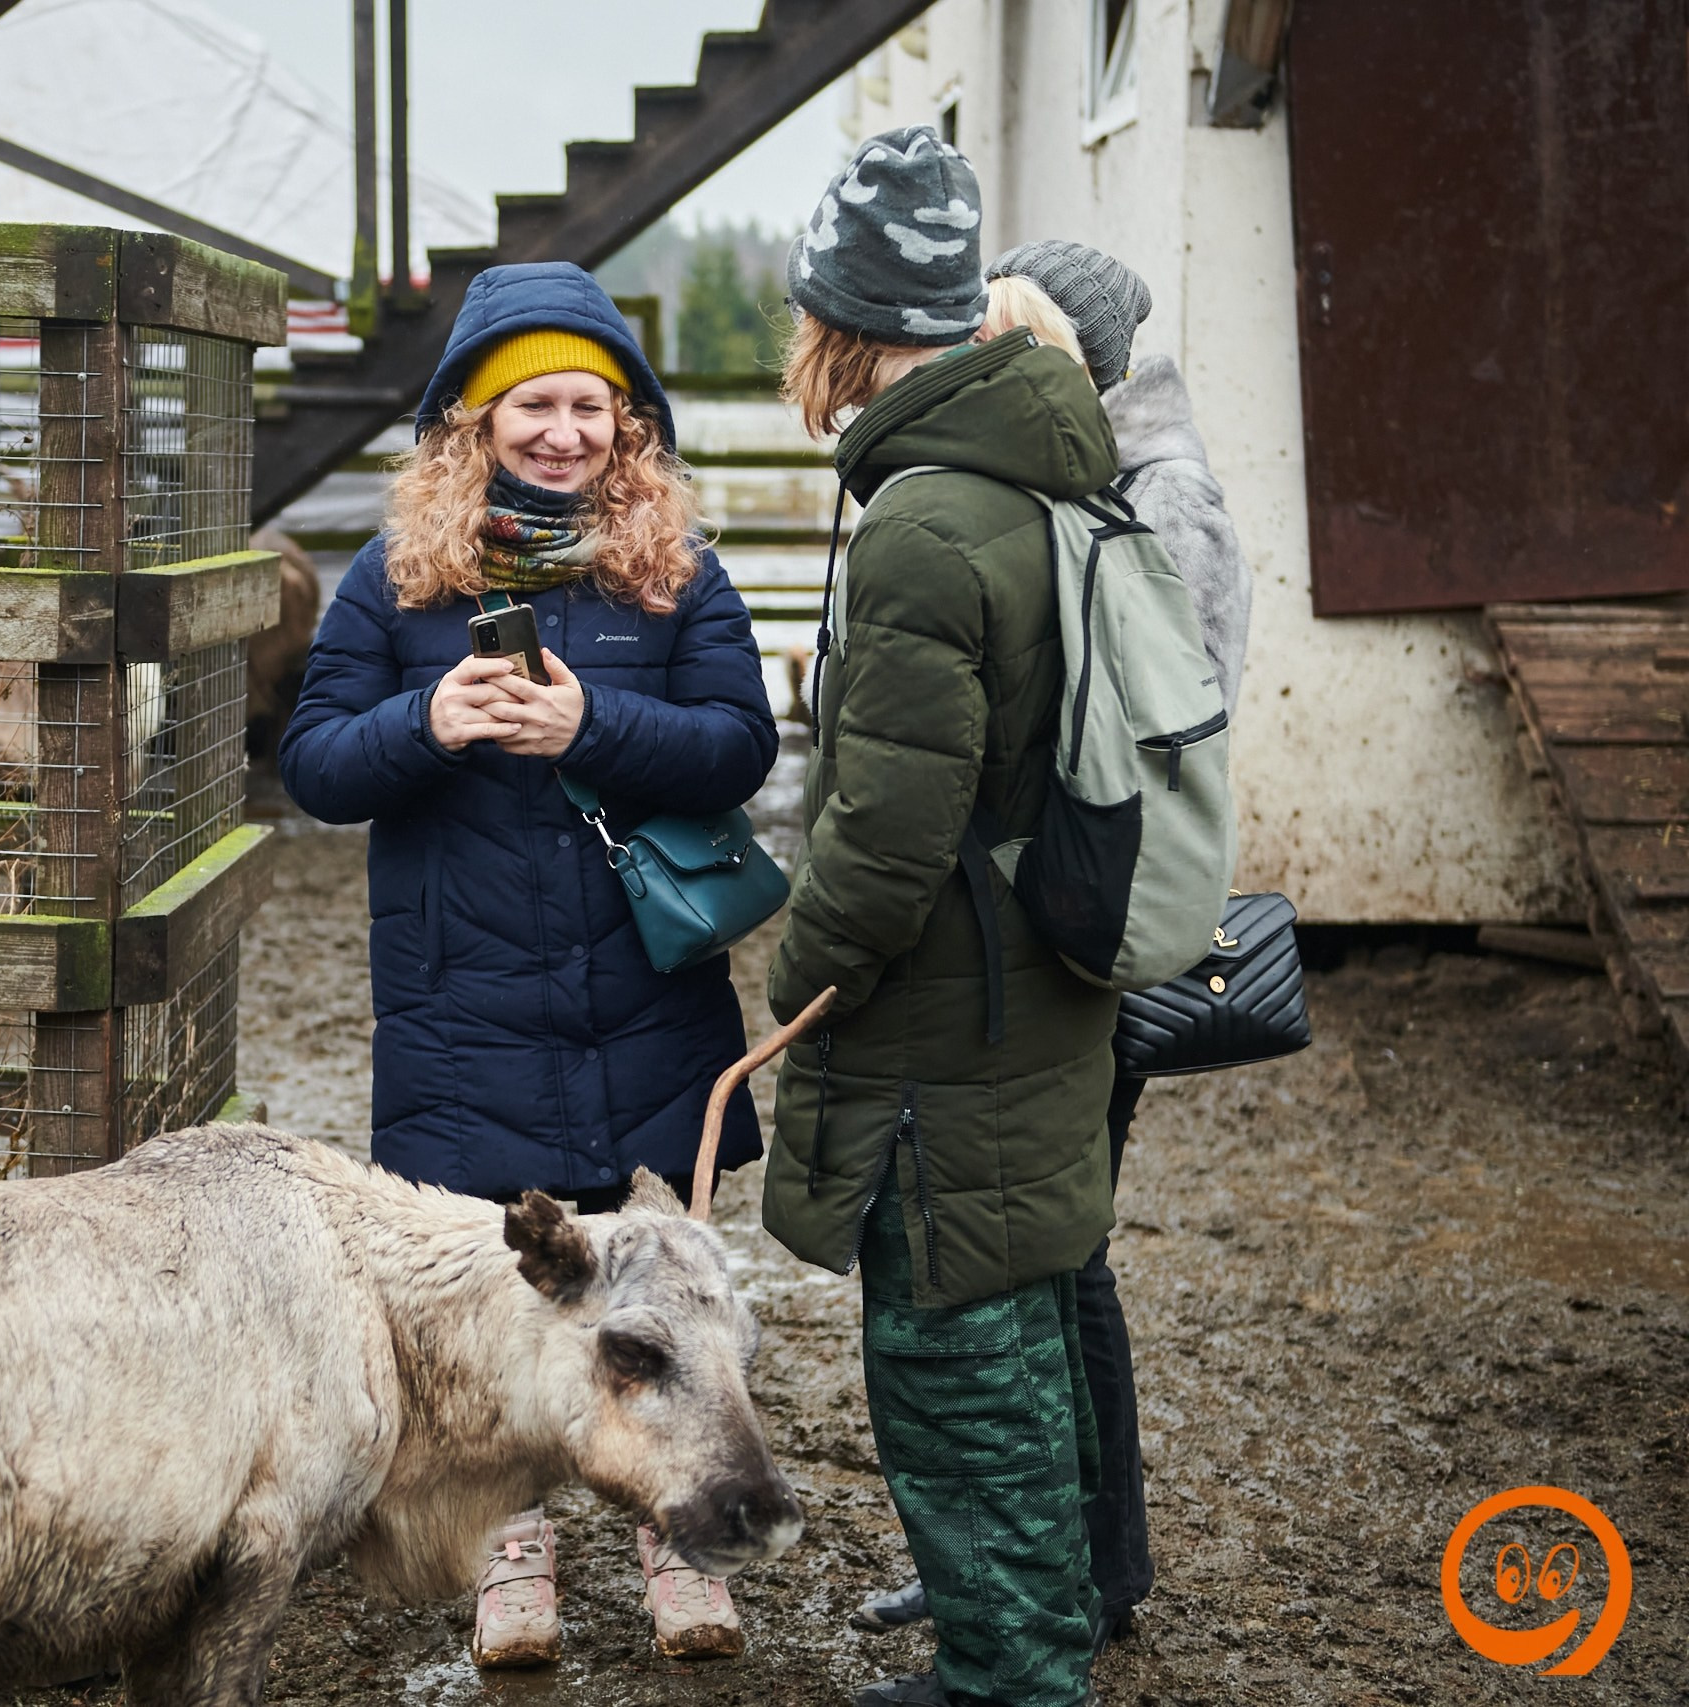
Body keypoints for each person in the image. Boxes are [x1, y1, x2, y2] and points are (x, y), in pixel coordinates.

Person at [278, 261, 779, 1669]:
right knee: (507, 1310)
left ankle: (684, 1551)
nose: (565, 433)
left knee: (665, 1296)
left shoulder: (675, 568)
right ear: (475, 422)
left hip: (643, 996)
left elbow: (743, 742)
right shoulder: (397, 578)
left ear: (629, 425)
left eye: (591, 408)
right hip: (465, 1003)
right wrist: (426, 720)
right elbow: (315, 765)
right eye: (534, 406)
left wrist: (592, 728)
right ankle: (514, 1563)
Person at [760, 125, 1120, 1707]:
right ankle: (1029, 1646)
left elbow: (888, 829)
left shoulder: (922, 523)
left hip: (941, 1016)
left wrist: (800, 970)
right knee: (1022, 1327)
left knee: (953, 1365)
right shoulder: (1036, 470)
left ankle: (1007, 1681)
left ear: (839, 323)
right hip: (1039, 974)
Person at [851, 244, 1254, 1657]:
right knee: (1052, 1262)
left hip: (1094, 933)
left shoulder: (1159, 497)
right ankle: (1047, 1565)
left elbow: (1158, 734)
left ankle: (1089, 1568)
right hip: (1052, 925)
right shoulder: (1086, 475)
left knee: (1057, 1264)